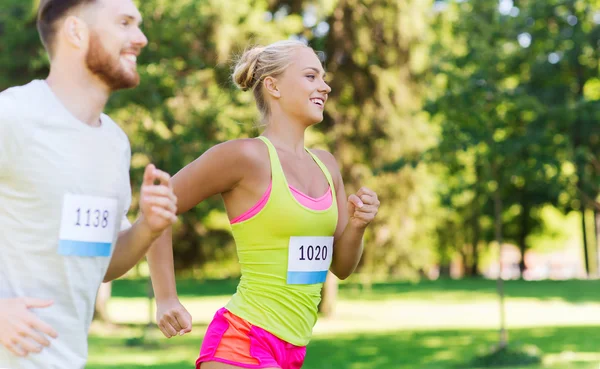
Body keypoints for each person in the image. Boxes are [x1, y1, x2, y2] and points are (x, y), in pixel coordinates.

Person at [147, 40, 380, 369]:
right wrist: (166, 297)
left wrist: (358, 225)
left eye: (323, 78)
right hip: (243, 339)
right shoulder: (245, 157)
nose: (325, 87)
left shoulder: (327, 166)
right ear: (273, 86)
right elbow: (156, 204)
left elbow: (341, 267)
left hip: (294, 349)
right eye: (311, 76)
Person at [0, 0, 178, 368]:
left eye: (139, 25)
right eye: (125, 23)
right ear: (76, 31)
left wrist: (148, 227)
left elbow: (103, 263)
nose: (141, 38)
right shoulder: (13, 116)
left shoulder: (114, 144)